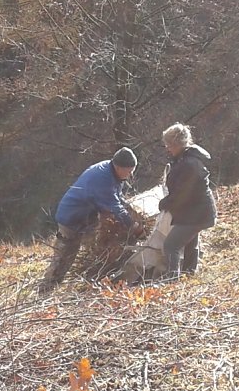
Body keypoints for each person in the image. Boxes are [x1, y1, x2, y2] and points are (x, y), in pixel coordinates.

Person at [39, 147, 145, 294]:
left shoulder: (112, 172)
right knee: (65, 254)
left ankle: (91, 283)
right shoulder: (103, 179)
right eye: (128, 171)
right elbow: (115, 207)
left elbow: (118, 198)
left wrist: (131, 209)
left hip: (87, 217)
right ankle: (45, 290)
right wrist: (134, 226)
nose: (130, 174)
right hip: (72, 217)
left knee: (96, 249)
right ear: (118, 167)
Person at [158, 123, 217, 277]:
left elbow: (182, 194)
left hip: (197, 214)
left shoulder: (189, 164)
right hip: (197, 212)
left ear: (177, 144)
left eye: (169, 145)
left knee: (171, 245)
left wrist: (164, 203)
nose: (167, 148)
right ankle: (189, 274)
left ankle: (172, 279)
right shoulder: (186, 158)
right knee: (190, 242)